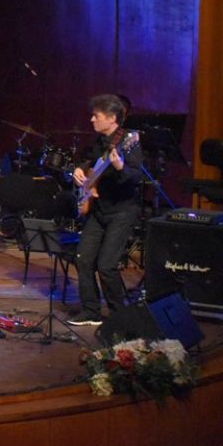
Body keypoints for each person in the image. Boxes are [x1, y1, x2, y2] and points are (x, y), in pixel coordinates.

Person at [67, 94, 143, 327]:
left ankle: (120, 316)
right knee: (83, 258)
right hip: (99, 210)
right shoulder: (101, 141)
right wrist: (80, 170)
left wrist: (120, 167)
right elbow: (90, 161)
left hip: (121, 212)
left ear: (111, 118)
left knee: (107, 265)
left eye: (96, 116)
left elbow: (135, 177)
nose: (92, 119)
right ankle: (91, 311)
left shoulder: (129, 142)